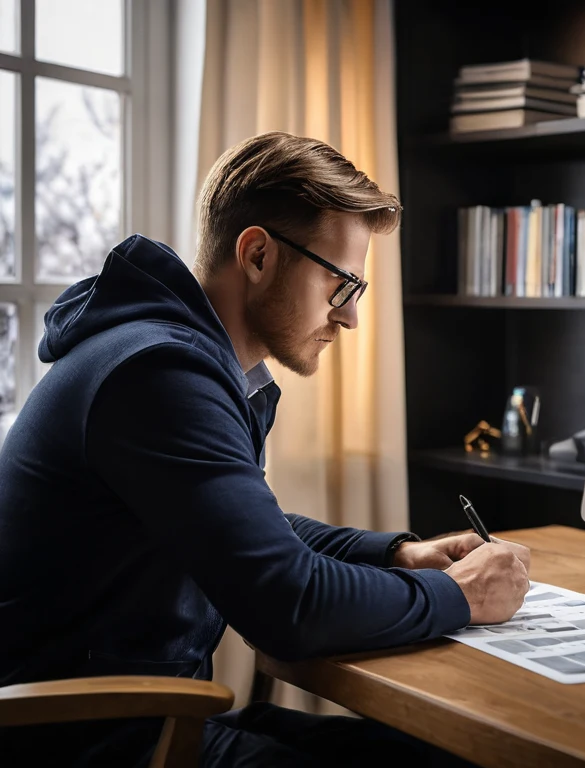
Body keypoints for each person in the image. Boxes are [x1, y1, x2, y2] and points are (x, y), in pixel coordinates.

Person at [0, 131, 531, 766]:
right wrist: (462, 597)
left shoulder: (168, 358)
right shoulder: (160, 375)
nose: (350, 317)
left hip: (128, 720)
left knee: (441, 750)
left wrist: (399, 553)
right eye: (341, 285)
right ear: (257, 255)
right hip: (88, 740)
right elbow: (290, 604)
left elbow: (256, 530)